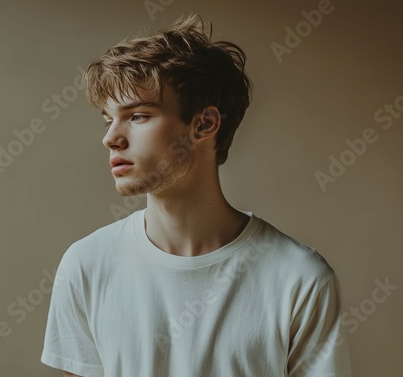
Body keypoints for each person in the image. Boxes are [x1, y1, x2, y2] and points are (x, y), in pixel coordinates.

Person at [40, 13, 353, 377]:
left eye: (138, 116)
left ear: (204, 124)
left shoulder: (300, 280)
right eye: (108, 119)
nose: (111, 137)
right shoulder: (86, 265)